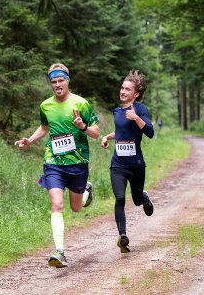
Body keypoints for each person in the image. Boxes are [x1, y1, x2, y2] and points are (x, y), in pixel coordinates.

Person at [15, 63, 99, 268]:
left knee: (76, 208)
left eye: (61, 80)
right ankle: (59, 251)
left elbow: (96, 133)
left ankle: (85, 190)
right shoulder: (46, 106)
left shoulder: (81, 103)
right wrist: (29, 141)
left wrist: (83, 126)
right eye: (54, 82)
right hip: (53, 162)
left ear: (67, 81)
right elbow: (45, 127)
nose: (57, 85)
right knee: (57, 205)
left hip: (77, 162)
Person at [100, 70, 154, 253]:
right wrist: (108, 137)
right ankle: (123, 237)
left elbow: (150, 132)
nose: (122, 91)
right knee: (120, 198)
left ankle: (144, 198)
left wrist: (136, 118)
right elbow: (123, 133)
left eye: (127, 89)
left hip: (136, 165)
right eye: (122, 88)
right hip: (118, 165)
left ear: (135, 93)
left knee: (137, 200)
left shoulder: (140, 109)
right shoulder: (117, 111)